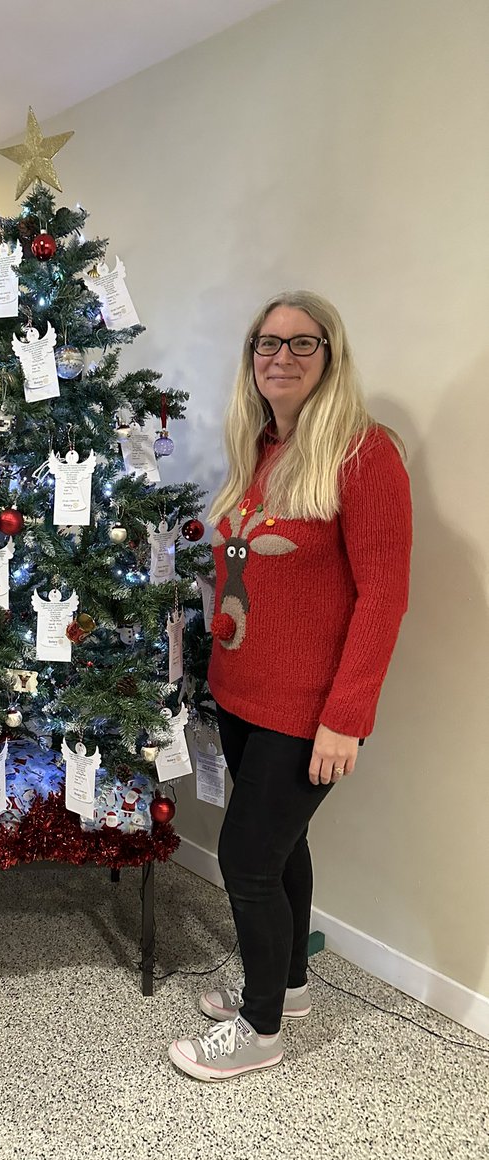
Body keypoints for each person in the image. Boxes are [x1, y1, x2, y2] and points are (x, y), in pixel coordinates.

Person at [169, 291, 412, 1082]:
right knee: (281, 848)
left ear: (330, 355)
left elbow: (383, 596)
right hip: (242, 698)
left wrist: (346, 717)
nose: (279, 356)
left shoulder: (365, 454)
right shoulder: (263, 451)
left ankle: (261, 1029)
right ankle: (292, 987)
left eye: (301, 343)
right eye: (265, 343)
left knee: (244, 860)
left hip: (309, 712)